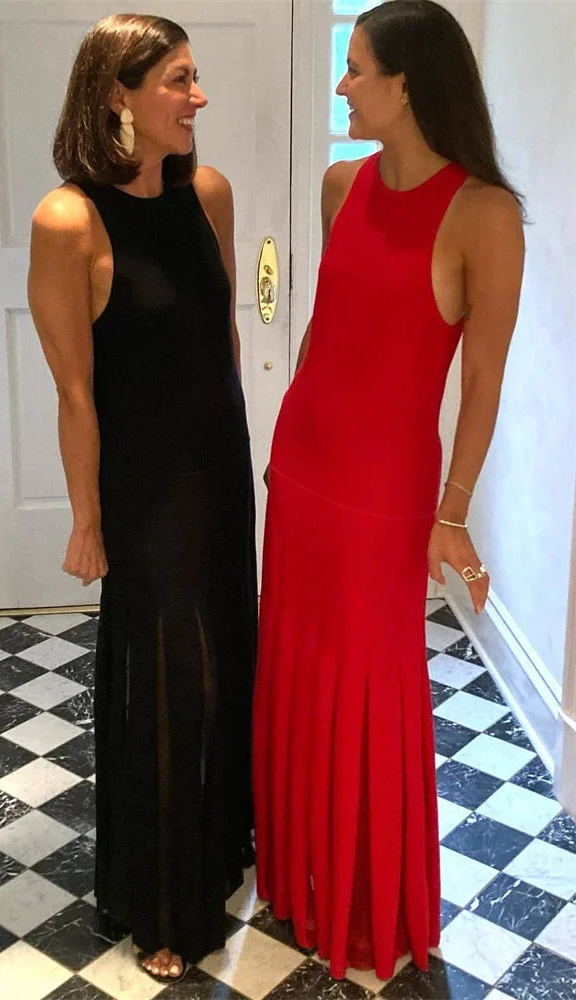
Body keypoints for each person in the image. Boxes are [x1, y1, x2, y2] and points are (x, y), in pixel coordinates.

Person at [253, 0, 524, 981]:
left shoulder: (484, 213)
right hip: (305, 471)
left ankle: (367, 903)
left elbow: (483, 379)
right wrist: (285, 439)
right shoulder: (343, 184)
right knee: (295, 670)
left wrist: (452, 513)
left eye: (356, 67)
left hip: (384, 493)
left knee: (369, 688)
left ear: (407, 84)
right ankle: (299, 879)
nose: (343, 85)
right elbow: (325, 327)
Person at [27, 13, 257, 983]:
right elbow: (74, 392)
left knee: (226, 665)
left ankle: (218, 847)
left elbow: (224, 337)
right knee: (168, 682)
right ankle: (161, 898)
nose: (198, 97)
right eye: (177, 79)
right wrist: (87, 518)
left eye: (195, 77)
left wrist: (247, 447)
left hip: (219, 471)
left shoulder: (209, 192)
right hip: (145, 487)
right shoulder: (69, 220)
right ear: (117, 93)